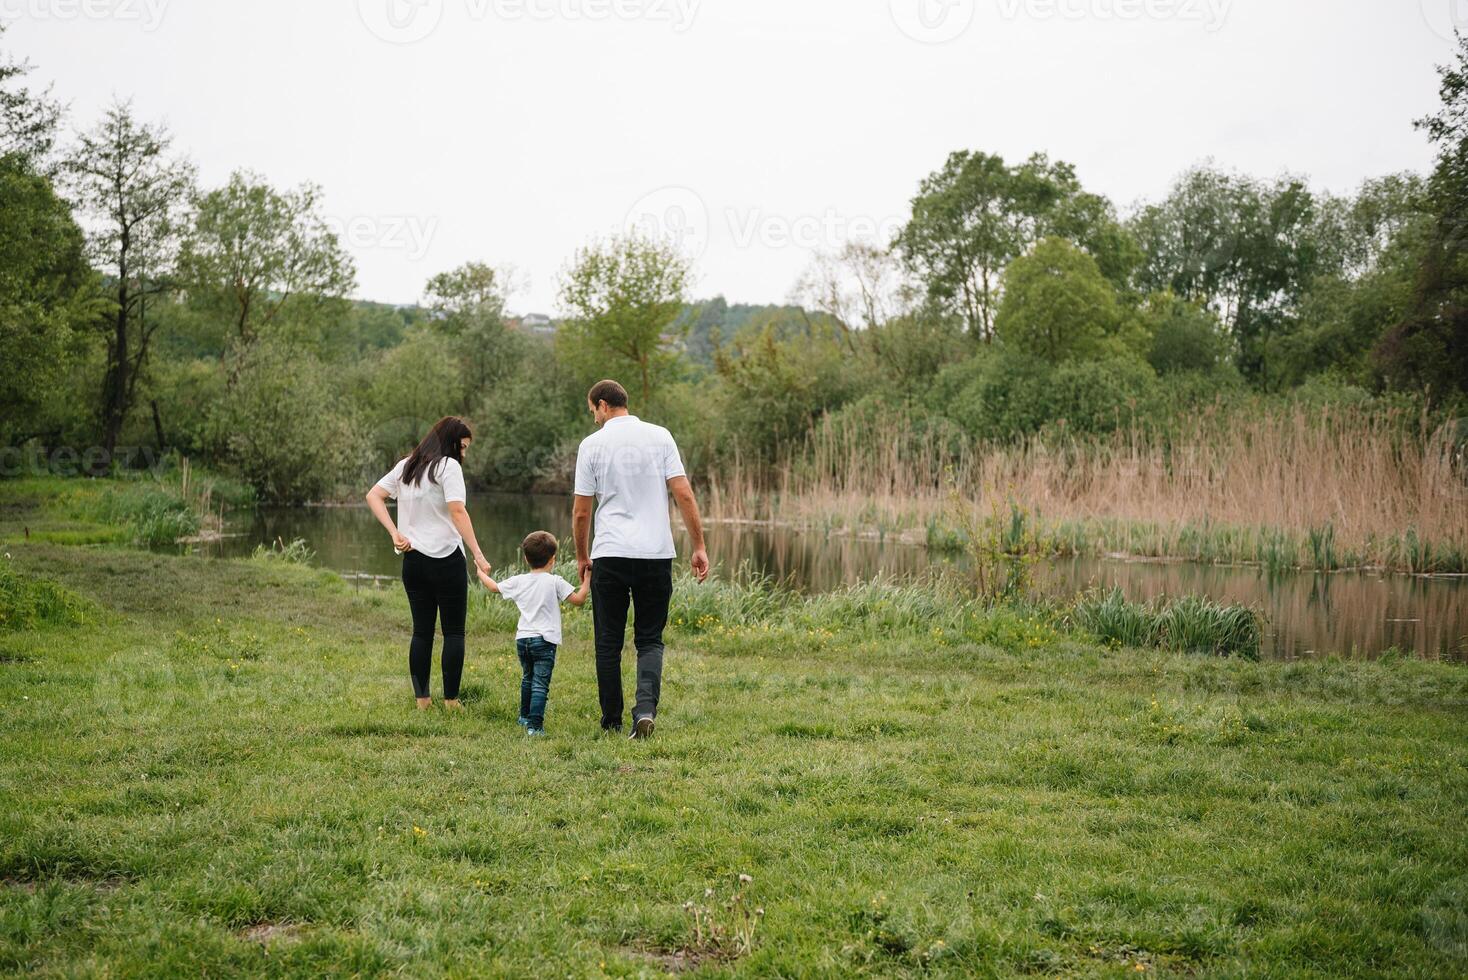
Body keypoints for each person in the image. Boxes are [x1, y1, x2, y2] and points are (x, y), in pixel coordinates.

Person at [572, 379, 709, 739]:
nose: (594, 420)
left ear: (603, 405)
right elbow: (684, 494)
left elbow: (582, 512)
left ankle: (612, 721)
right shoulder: (661, 436)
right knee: (650, 639)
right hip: (655, 554)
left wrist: (582, 555)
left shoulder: (591, 446)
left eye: (593, 413)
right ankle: (645, 710)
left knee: (608, 641)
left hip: (611, 554)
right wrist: (699, 546)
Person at [366, 416, 492, 710]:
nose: (464, 453)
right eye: (462, 447)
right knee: (454, 632)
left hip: (413, 562)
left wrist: (394, 533)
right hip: (446, 560)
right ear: (451, 443)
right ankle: (451, 701)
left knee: (421, 632)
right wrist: (478, 553)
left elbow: (374, 495)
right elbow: (458, 511)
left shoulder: (407, 465)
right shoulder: (449, 467)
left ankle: (422, 701)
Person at [476, 531, 589, 736]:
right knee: (540, 684)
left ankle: (524, 716)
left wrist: (480, 572)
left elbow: (493, 587)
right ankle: (535, 727)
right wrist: (588, 579)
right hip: (544, 641)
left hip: (523, 640)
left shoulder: (519, 580)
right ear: (553, 559)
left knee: (528, 678)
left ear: (526, 558)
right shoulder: (555, 581)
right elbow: (579, 599)